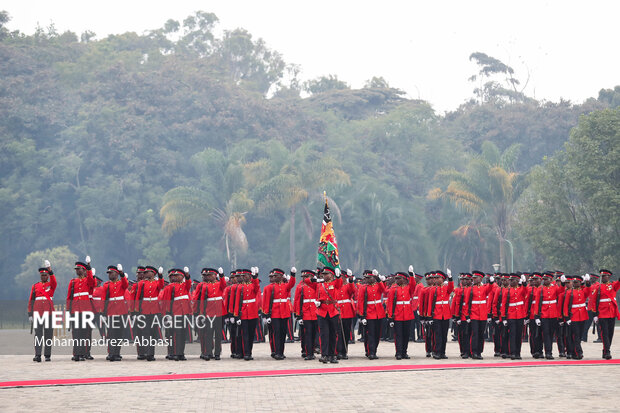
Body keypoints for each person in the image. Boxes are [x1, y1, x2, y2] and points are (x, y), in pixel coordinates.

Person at [307, 267, 344, 363]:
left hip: (333, 310)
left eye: (326, 274)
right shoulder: (319, 284)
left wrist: (338, 276)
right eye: (323, 274)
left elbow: (340, 282)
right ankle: (324, 355)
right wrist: (313, 279)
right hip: (322, 311)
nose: (324, 275)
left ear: (331, 275)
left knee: (333, 334)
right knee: (324, 334)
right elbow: (307, 281)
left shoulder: (334, 283)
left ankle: (332, 355)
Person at [193, 267, 227, 361]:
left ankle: (217, 353)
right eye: (206, 275)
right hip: (209, 312)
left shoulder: (219, 283)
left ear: (215, 276)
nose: (208, 277)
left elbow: (224, 285)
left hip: (219, 312)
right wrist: (202, 312)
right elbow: (203, 299)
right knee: (209, 334)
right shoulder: (205, 286)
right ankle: (208, 352)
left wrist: (222, 275)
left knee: (218, 335)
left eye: (210, 275)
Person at [262, 267, 297, 360]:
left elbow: (292, 284)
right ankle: (277, 352)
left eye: (276, 276)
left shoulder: (285, 286)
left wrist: (293, 275)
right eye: (274, 276)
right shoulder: (270, 287)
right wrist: (267, 315)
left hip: (284, 312)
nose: (274, 277)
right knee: (276, 333)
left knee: (282, 333)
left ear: (281, 277)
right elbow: (267, 301)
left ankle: (281, 352)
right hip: (275, 313)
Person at [66, 256, 96, 361]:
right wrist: (68, 311)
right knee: (76, 333)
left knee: (83, 333)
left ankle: (82, 353)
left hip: (85, 310)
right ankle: (76, 354)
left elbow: (92, 281)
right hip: (75, 310)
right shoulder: (73, 282)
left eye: (79, 269)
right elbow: (69, 297)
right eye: (76, 269)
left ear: (83, 270)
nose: (77, 271)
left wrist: (89, 266)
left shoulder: (88, 280)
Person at [160, 267, 193, 360]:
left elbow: (189, 283)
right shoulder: (169, 287)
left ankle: (181, 353)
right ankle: (175, 353)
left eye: (177, 275)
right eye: (174, 276)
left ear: (182, 276)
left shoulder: (185, 285)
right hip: (175, 313)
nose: (175, 277)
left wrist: (187, 275)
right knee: (176, 334)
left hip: (185, 313)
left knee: (183, 334)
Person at [27, 261, 57, 362]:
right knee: (38, 334)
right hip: (38, 313)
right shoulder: (35, 286)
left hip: (48, 313)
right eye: (42, 275)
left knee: (48, 334)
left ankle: (47, 355)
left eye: (45, 275)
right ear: (40, 276)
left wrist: (50, 269)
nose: (44, 276)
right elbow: (31, 300)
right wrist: (30, 314)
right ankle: (38, 354)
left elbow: (54, 282)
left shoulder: (51, 285)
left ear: (48, 276)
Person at [134, 266, 165, 361]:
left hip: (155, 310)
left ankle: (151, 354)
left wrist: (160, 275)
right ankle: (147, 352)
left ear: (153, 273)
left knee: (153, 332)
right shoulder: (142, 283)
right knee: (146, 333)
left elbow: (161, 285)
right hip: (145, 310)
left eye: (148, 272)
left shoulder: (157, 282)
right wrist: (137, 309)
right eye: (145, 272)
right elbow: (138, 296)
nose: (145, 274)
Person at [386, 268, 417, 359]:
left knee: (406, 335)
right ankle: (398, 352)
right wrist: (391, 317)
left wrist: (411, 275)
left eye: (399, 278)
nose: (397, 280)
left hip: (407, 315)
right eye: (396, 278)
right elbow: (390, 303)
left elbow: (413, 285)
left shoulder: (408, 288)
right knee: (398, 335)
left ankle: (404, 352)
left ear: (404, 279)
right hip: (397, 315)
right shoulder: (393, 289)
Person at [533, 271, 564, 359]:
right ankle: (548, 352)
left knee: (551, 334)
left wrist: (562, 283)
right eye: (544, 279)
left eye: (547, 279)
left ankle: (549, 351)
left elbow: (561, 291)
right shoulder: (540, 289)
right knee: (546, 334)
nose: (545, 281)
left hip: (553, 314)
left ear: (551, 280)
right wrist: (537, 317)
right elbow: (537, 303)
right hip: (544, 314)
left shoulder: (555, 288)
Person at [357, 269, 387, 359]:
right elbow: (360, 302)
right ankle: (371, 352)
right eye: (366, 278)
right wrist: (362, 316)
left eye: (369, 277)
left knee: (377, 334)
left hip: (379, 313)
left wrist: (378, 279)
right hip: (369, 313)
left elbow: (384, 290)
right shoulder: (363, 288)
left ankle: (374, 350)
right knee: (370, 334)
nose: (367, 279)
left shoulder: (378, 285)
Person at [101, 264, 129, 361]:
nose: (109, 275)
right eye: (108, 273)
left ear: (116, 274)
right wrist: (103, 312)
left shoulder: (121, 283)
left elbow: (126, 284)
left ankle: (117, 353)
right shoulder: (106, 285)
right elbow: (104, 299)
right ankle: (111, 353)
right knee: (111, 333)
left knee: (119, 334)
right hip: (111, 311)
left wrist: (122, 274)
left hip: (121, 311)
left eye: (111, 273)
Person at [591, 269, 620, 359]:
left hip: (611, 312)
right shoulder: (598, 287)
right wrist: (595, 314)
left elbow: (618, 283)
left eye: (605, 276)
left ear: (609, 277)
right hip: (602, 313)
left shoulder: (613, 285)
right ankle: (607, 351)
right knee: (605, 333)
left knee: (610, 333)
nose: (603, 278)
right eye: (602, 276)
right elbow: (593, 301)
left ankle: (606, 349)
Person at [233, 267, 261, 360]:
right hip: (244, 313)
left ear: (249, 276)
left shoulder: (253, 285)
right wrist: (237, 316)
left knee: (251, 334)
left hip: (253, 313)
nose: (243, 277)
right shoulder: (240, 287)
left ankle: (249, 352)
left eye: (245, 276)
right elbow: (237, 302)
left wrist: (255, 276)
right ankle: (246, 353)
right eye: (242, 276)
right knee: (245, 334)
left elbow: (257, 286)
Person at [426, 269, 454, 359]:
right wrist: (429, 316)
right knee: (437, 334)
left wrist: (450, 278)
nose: (436, 279)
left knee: (444, 335)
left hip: (445, 314)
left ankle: (443, 352)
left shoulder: (446, 288)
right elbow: (430, 303)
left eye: (438, 278)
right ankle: (437, 352)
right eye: (435, 278)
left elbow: (451, 288)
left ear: (442, 279)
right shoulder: (433, 289)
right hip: (436, 314)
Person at [563, 274, 592, 359]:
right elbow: (565, 306)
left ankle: (573, 351)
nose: (575, 284)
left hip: (582, 315)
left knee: (579, 335)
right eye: (574, 282)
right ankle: (578, 352)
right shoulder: (569, 292)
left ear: (580, 283)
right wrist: (567, 318)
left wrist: (588, 282)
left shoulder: (583, 291)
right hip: (574, 316)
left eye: (577, 282)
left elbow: (589, 290)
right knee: (576, 335)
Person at [501, 273, 528, 360]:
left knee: (519, 335)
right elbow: (504, 305)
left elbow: (526, 291)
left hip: (520, 315)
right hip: (511, 315)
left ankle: (518, 353)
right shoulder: (507, 291)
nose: (510, 282)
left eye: (512, 280)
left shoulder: (521, 290)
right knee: (512, 334)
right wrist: (504, 317)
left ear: (517, 281)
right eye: (510, 280)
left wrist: (524, 282)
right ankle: (512, 352)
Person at [294, 269, 319, 360]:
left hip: (315, 312)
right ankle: (309, 353)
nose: (304, 278)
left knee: (315, 333)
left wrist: (314, 280)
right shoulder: (300, 287)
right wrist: (298, 314)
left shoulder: (316, 285)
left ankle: (313, 350)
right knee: (308, 333)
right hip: (306, 312)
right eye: (303, 277)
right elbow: (297, 300)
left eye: (306, 276)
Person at [334, 268, 357, 359]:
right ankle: (338, 351)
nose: (341, 279)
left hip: (347, 311)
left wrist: (351, 280)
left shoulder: (348, 286)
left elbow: (353, 291)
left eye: (343, 277)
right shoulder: (336, 286)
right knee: (338, 332)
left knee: (346, 333)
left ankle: (344, 351)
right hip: (338, 310)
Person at [451, 273, 472, 359]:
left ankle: (470, 351)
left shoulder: (472, 289)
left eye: (466, 279)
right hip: (462, 315)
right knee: (463, 335)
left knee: (471, 334)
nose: (464, 281)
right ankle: (464, 351)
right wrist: (455, 316)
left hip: (472, 315)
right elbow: (455, 303)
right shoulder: (458, 290)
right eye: (462, 280)